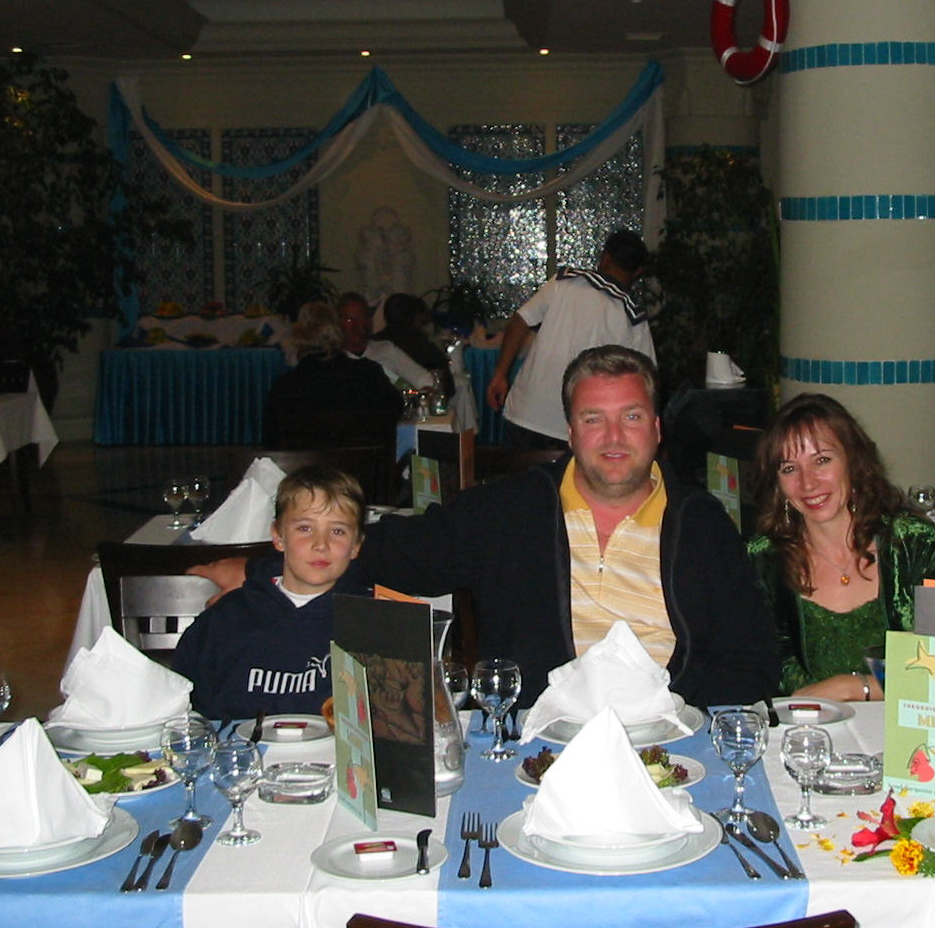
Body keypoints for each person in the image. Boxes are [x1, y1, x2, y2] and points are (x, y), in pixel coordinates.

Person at [197, 345, 778, 708]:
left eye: (630, 416)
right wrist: (261, 567)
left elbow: (752, 660)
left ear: (655, 428)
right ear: (570, 432)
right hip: (540, 736)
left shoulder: (701, 524)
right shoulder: (512, 509)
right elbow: (394, 550)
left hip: (670, 732)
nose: (613, 437)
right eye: (592, 419)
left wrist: (678, 707)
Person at [744, 393, 935, 702]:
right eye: (789, 469)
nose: (808, 483)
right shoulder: (762, 558)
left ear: (853, 461)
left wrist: (849, 687)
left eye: (822, 460)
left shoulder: (912, 542)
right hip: (807, 727)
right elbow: (766, 668)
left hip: (907, 725)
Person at [172, 465, 369, 720]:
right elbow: (183, 709)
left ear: (356, 546)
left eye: (337, 531)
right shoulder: (223, 622)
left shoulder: (371, 624)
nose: (321, 544)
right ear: (278, 536)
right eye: (305, 528)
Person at [486, 229, 654, 449]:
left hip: (526, 412)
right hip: (582, 427)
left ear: (604, 257)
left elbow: (521, 320)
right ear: (638, 271)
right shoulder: (633, 315)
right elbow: (646, 379)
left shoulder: (564, 282)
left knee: (519, 471)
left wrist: (500, 375)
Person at [263, 301, 402, 445]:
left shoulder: (284, 389)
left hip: (305, 460)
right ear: (338, 333)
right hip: (367, 459)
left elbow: (272, 442)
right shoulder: (369, 375)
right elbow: (396, 415)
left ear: (298, 340)